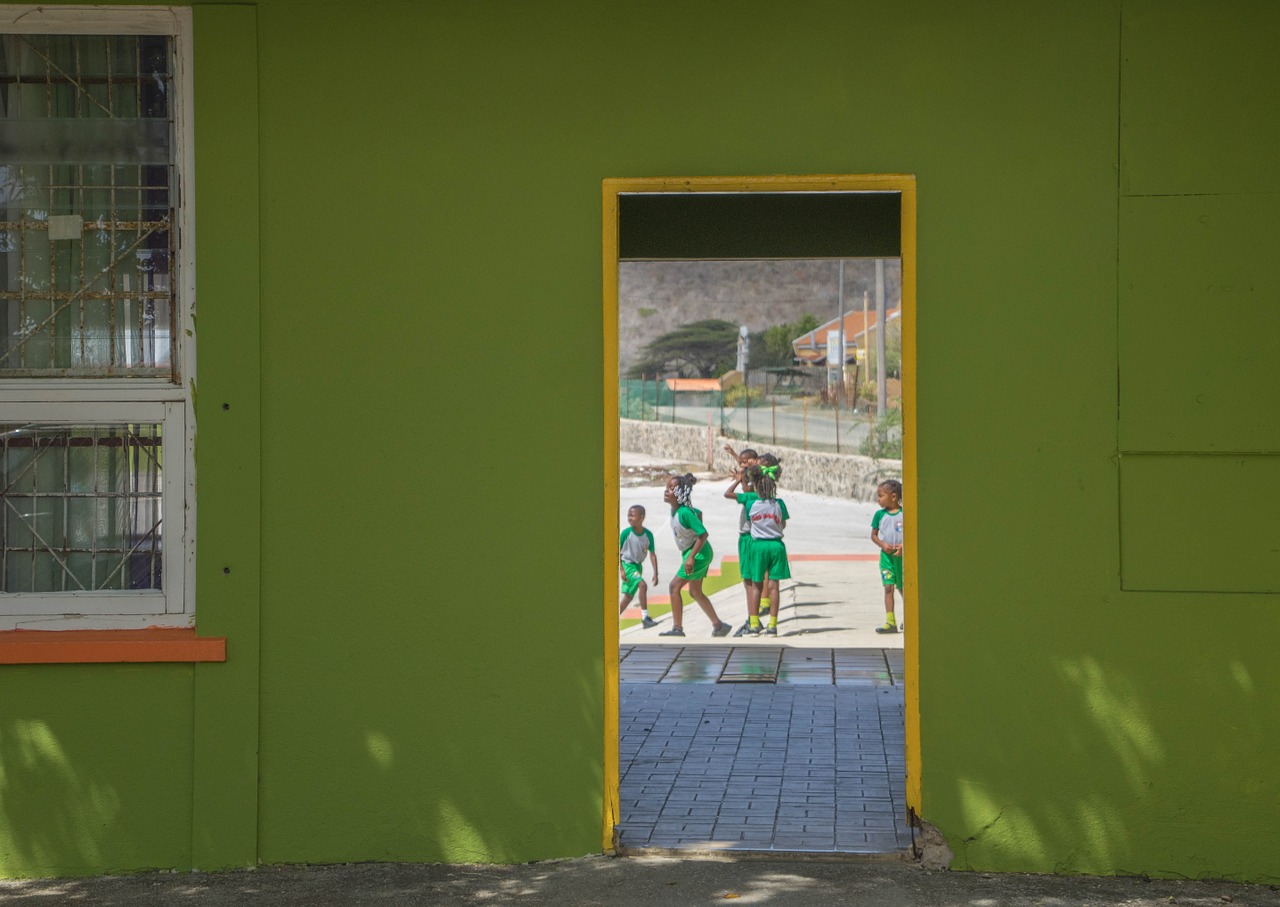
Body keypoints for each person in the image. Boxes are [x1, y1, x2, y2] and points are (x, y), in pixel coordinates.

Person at [660, 474, 732, 638]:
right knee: (695, 592)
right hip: (695, 552)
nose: (666, 491)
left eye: (671, 489)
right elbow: (698, 513)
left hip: (698, 553)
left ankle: (677, 628)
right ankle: (719, 625)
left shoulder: (684, 513)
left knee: (674, 587)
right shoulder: (677, 510)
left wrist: (691, 557)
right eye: (666, 488)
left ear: (680, 494)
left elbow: (703, 534)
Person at [735, 464, 790, 636]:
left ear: (756, 487)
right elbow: (783, 524)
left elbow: (749, 522)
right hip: (776, 546)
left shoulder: (751, 503)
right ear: (773, 487)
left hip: (757, 546)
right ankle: (772, 626)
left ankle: (754, 624)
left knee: (756, 585)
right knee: (774, 586)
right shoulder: (779, 503)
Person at [722, 447, 759, 628]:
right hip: (757, 539)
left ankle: (753, 620)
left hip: (747, 539)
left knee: (748, 582)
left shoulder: (749, 497)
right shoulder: (761, 495)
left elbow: (727, 494)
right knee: (754, 581)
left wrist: (737, 481)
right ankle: (753, 618)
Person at [871, 479, 904, 634]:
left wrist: (903, 547)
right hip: (886, 558)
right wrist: (883, 545)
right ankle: (890, 622)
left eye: (881, 495)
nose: (878, 499)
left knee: (904, 588)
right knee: (888, 588)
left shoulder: (905, 514)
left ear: (893, 496)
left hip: (902, 558)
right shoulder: (879, 515)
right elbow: (874, 535)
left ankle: (909, 618)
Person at [618, 505, 659, 628]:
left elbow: (652, 555)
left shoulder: (648, 535)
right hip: (627, 565)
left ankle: (612, 619)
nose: (629, 518)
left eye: (632, 515)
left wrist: (655, 573)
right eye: (628, 515)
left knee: (628, 597)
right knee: (642, 585)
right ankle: (645, 618)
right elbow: (617, 552)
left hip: (637, 567)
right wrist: (621, 570)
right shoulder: (625, 533)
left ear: (642, 517)